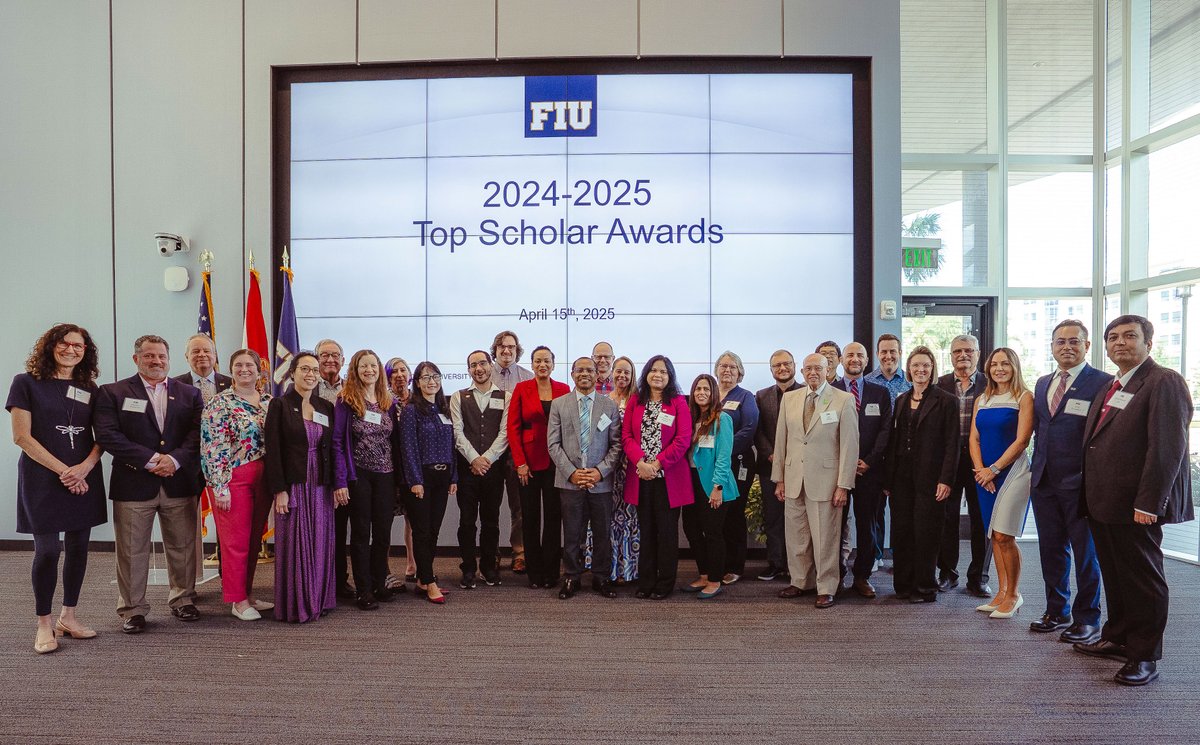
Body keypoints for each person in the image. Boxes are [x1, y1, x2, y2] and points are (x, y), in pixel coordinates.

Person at [1074, 315, 1193, 686]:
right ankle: (1118, 636)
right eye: (1113, 337)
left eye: (1129, 336)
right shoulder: (1112, 386)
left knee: (1143, 579)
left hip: (1135, 506)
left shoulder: (1163, 381)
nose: (1119, 343)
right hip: (1104, 501)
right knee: (1115, 573)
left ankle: (1144, 656)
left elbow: (1167, 449)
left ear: (1149, 343)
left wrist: (1149, 502)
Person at [94, 335, 204, 634]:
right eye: (149, 356)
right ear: (136, 359)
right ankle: (133, 609)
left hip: (179, 481)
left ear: (170, 359)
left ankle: (183, 599)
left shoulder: (189, 394)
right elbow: (108, 435)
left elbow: (197, 434)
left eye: (161, 357)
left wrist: (175, 460)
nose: (156, 361)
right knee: (131, 549)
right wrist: (152, 459)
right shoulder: (113, 392)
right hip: (133, 482)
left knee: (183, 546)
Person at [7, 324, 106, 654]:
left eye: (78, 346)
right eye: (64, 344)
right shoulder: (26, 383)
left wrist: (84, 469)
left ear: (85, 351)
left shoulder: (89, 387)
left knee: (79, 548)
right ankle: (44, 624)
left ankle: (69, 616)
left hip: (84, 477)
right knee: (48, 551)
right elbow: (22, 437)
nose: (71, 350)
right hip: (43, 479)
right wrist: (65, 471)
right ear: (49, 346)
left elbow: (101, 437)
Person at [1027, 320, 1110, 642]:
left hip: (1080, 484)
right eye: (1060, 342)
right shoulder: (1043, 383)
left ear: (1087, 346)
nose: (1067, 347)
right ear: (1052, 347)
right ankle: (1056, 610)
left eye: (1074, 341)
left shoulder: (1102, 383)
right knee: (1051, 550)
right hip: (1044, 481)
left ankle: (1087, 617)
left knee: (1086, 554)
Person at [772, 354, 858, 609]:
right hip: (793, 478)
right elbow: (781, 441)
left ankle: (826, 586)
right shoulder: (790, 399)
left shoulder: (843, 400)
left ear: (828, 369)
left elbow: (849, 447)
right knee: (796, 536)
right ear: (802, 371)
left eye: (818, 368)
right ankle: (800, 581)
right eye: (808, 368)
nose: (812, 373)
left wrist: (844, 484)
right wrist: (779, 479)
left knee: (825, 539)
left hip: (827, 482)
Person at [200, 349, 274, 620]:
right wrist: (219, 486)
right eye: (238, 365)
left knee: (254, 540)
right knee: (235, 542)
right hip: (233, 478)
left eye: (250, 365)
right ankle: (237, 600)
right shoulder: (220, 403)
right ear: (230, 370)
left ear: (259, 370)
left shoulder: (268, 401)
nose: (245, 369)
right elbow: (212, 448)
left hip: (264, 477)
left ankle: (249, 592)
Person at [882, 346, 959, 603]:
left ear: (932, 369)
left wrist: (946, 479)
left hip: (931, 476)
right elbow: (894, 441)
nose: (920, 370)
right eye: (915, 365)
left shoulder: (946, 400)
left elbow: (952, 444)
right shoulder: (902, 399)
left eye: (925, 365)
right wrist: (888, 478)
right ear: (909, 368)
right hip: (901, 476)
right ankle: (903, 585)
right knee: (902, 530)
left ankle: (925, 587)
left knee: (925, 532)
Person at [265, 352, 337, 623]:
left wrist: (335, 483)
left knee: (320, 538)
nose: (311, 374)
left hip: (320, 484)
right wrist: (279, 489)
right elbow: (273, 451)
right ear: (292, 372)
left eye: (315, 370)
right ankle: (297, 603)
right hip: (294, 484)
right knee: (296, 540)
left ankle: (319, 598)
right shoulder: (280, 405)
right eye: (305, 369)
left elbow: (331, 447)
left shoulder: (324, 407)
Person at [547, 357, 623, 599]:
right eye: (580, 370)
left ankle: (601, 578)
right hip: (569, 481)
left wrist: (599, 471)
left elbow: (616, 445)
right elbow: (553, 444)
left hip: (600, 482)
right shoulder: (559, 404)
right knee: (571, 533)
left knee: (602, 533)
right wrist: (573, 473)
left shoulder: (608, 406)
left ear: (597, 374)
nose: (585, 374)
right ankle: (571, 577)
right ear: (572, 374)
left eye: (590, 370)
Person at [331, 349, 401, 610]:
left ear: (379, 370)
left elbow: (393, 441)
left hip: (386, 475)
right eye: (363, 366)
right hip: (358, 474)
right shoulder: (346, 400)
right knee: (361, 533)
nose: (369, 370)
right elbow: (337, 442)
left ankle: (378, 583)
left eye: (373, 365)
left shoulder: (388, 400)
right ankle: (363, 590)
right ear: (355, 370)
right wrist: (340, 481)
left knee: (382, 533)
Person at [968, 347, 1034, 619]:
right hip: (984, 476)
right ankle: (1001, 590)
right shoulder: (982, 398)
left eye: (1005, 364)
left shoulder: (1024, 397)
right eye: (994, 364)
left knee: (1005, 534)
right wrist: (981, 470)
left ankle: (1014, 594)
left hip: (1013, 473)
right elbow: (974, 438)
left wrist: (994, 469)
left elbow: (1022, 441)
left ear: (1014, 367)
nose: (999, 369)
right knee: (994, 536)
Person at [622, 355, 693, 600]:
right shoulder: (635, 401)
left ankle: (664, 584)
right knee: (647, 531)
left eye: (663, 371)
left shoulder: (678, 403)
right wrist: (641, 462)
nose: (658, 375)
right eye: (653, 370)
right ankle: (646, 582)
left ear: (670, 376)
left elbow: (683, 439)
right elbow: (627, 436)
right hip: (641, 476)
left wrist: (657, 464)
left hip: (668, 479)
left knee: (667, 533)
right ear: (646, 374)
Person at [832, 342, 892, 597]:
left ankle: (862, 576)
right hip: (835, 472)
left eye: (860, 355)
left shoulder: (880, 393)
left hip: (869, 471)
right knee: (834, 526)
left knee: (868, 525)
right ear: (841, 360)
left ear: (867, 361)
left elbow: (886, 431)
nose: (854, 359)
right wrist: (843, 462)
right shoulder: (829, 391)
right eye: (850, 355)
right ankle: (834, 575)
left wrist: (868, 460)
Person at [507, 346, 569, 589]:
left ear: (553, 364)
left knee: (554, 519)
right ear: (532, 365)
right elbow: (513, 428)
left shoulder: (564, 389)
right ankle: (535, 573)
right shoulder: (522, 388)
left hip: (557, 462)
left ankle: (551, 573)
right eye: (537, 361)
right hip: (528, 465)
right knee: (530, 519)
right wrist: (520, 463)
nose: (542, 365)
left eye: (546, 361)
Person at [936, 333, 992, 598]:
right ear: (951, 356)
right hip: (948, 459)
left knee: (982, 519)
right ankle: (947, 573)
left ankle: (978, 577)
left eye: (969, 351)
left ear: (978, 354)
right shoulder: (941, 384)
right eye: (958, 351)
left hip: (981, 460)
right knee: (946, 518)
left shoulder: (991, 383)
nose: (963, 356)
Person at [399, 361, 459, 604]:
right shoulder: (412, 410)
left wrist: (454, 476)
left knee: (433, 530)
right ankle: (429, 580)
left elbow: (451, 446)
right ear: (417, 382)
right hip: (420, 479)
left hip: (442, 478)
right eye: (425, 377)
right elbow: (408, 448)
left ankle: (424, 578)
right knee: (422, 531)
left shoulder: (444, 410)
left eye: (435, 376)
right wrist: (415, 480)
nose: (431, 381)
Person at [450, 350, 510, 589]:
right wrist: (475, 459)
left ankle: (488, 567)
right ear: (469, 370)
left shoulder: (506, 396)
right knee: (466, 522)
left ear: (490, 366)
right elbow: (457, 432)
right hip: (467, 470)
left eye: (482, 363)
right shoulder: (458, 396)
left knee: (491, 521)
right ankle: (468, 568)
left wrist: (487, 460)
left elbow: (505, 434)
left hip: (493, 471)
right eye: (473, 365)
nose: (479, 368)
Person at [680, 374, 739, 600]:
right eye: (697, 389)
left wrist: (718, 487)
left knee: (713, 533)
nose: (701, 393)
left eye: (706, 389)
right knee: (692, 530)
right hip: (691, 482)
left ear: (713, 393)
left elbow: (724, 456)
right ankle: (703, 575)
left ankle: (715, 580)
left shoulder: (722, 419)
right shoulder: (690, 419)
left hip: (714, 484)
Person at [754, 349, 801, 582]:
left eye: (786, 364)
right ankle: (775, 563)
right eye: (777, 365)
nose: (782, 368)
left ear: (794, 365)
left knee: (798, 517)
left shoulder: (806, 392)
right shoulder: (761, 396)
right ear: (771, 370)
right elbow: (758, 430)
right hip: (769, 466)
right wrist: (771, 454)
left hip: (800, 465)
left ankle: (797, 565)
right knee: (773, 516)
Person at [713, 351, 759, 585]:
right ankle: (717, 563)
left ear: (740, 372)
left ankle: (735, 565)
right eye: (723, 366)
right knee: (715, 515)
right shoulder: (710, 395)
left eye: (732, 367)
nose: (727, 370)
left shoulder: (745, 397)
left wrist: (721, 452)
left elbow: (749, 429)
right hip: (711, 466)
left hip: (737, 462)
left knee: (733, 514)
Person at [314, 338, 353, 600]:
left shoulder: (352, 389)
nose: (330, 360)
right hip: (313, 468)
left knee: (341, 529)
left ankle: (340, 581)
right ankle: (316, 582)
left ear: (343, 359)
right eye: (324, 355)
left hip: (343, 468)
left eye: (335, 355)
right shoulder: (305, 387)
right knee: (315, 528)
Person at [492, 330, 533, 574]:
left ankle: (519, 552)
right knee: (491, 506)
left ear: (518, 350)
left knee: (519, 507)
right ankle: (492, 553)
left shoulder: (528, 378)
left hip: (517, 453)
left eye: (511, 347)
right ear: (495, 349)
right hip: (491, 453)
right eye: (502, 346)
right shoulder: (485, 374)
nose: (506, 351)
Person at [605, 356, 639, 584]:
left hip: (630, 469)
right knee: (608, 519)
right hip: (608, 471)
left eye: (627, 372)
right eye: (618, 371)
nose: (622, 376)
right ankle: (609, 568)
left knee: (629, 519)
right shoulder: (603, 400)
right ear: (611, 373)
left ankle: (628, 569)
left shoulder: (638, 401)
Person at [384, 357, 416, 590]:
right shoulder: (382, 401)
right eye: (393, 371)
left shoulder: (418, 399)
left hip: (413, 470)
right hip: (389, 469)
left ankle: (412, 565)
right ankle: (383, 570)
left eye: (403, 370)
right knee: (384, 521)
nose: (399, 375)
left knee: (413, 520)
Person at [175, 333, 232, 403]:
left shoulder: (231, 384)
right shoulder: (175, 385)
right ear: (187, 357)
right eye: (196, 351)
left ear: (215, 355)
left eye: (206, 351)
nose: (202, 354)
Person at [864, 333, 912, 404]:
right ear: (877, 354)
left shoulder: (910, 382)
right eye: (884, 352)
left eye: (892, 351)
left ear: (900, 353)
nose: (888, 356)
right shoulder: (866, 382)